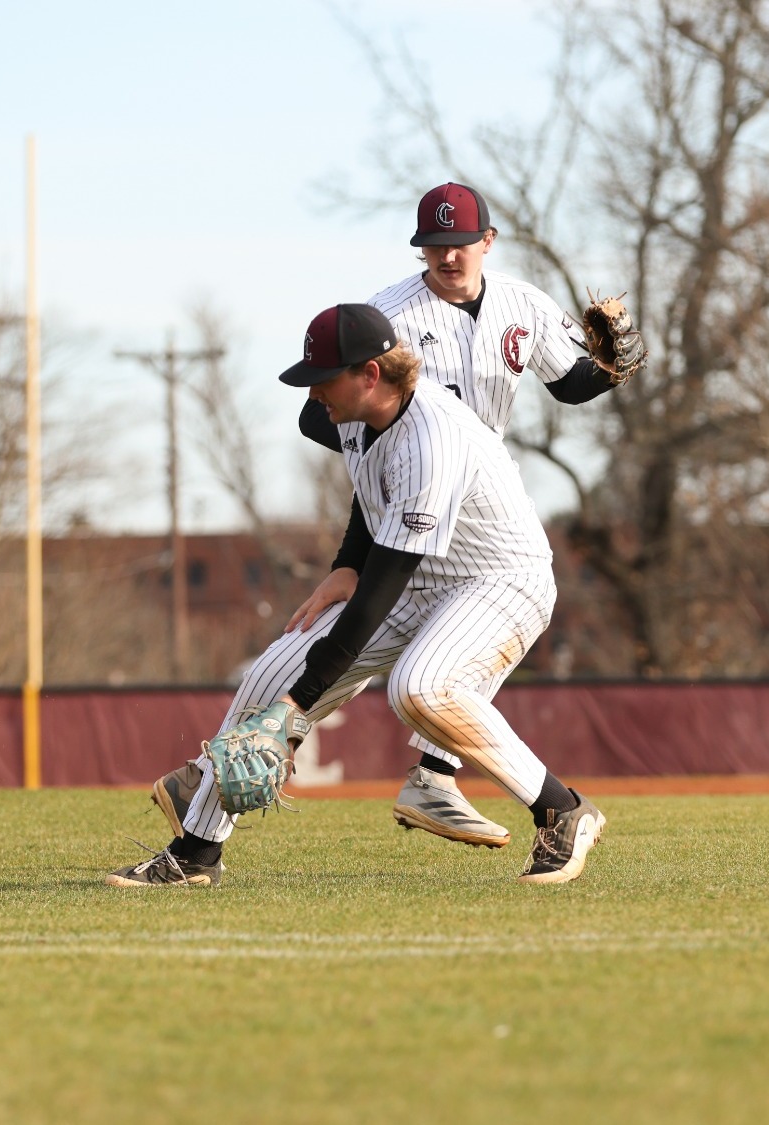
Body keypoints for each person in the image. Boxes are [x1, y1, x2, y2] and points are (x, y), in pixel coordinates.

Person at [152, 183, 638, 850]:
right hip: (413, 513)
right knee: (280, 668)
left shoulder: (519, 307)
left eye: (459, 243)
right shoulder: (385, 329)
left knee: (426, 681)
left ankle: (468, 785)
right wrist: (354, 553)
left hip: (484, 535)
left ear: (487, 242)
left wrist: (610, 369)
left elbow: (571, 382)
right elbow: (337, 432)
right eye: (434, 245)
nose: (447, 256)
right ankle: (202, 823)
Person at [109, 304, 605, 888]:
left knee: (420, 688)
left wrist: (299, 705)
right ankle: (195, 853)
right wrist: (345, 564)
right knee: (268, 676)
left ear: (370, 374)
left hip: (499, 580)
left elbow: (378, 594)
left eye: (325, 378)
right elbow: (371, 490)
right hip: (419, 577)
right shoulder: (358, 411)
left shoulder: (433, 440)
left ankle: (561, 811)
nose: (314, 392)